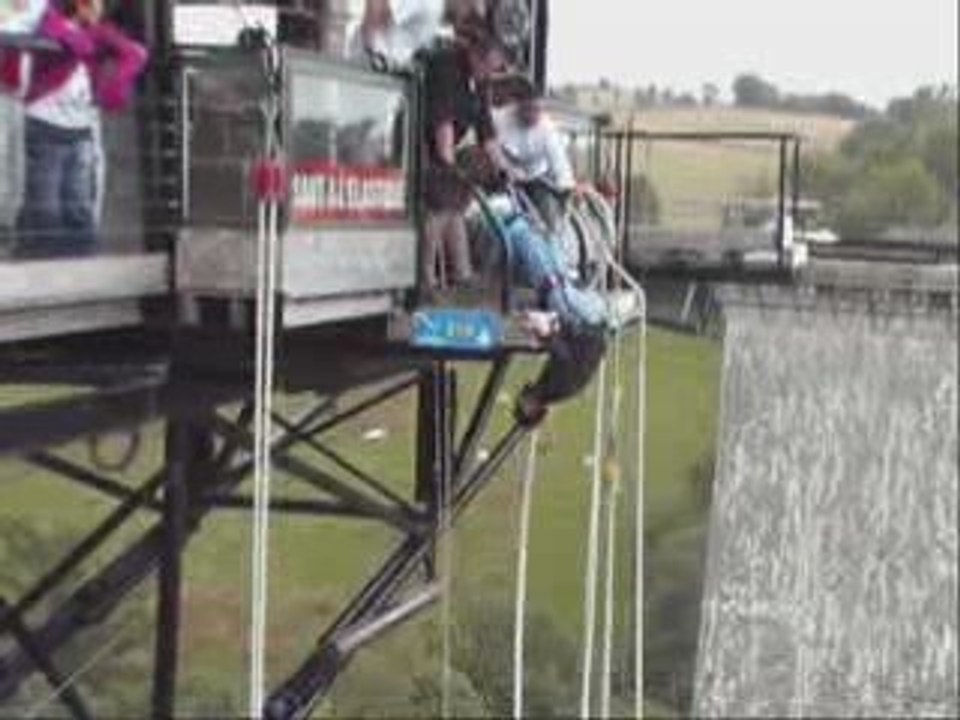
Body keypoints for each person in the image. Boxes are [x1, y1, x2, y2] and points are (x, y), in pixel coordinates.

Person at [2, 0, 146, 259]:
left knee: (78, 204)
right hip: (45, 124)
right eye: (90, 3)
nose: (97, 9)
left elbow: (134, 53)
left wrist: (114, 86)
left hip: (81, 129)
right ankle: (40, 260)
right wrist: (84, 42)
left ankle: (80, 260)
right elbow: (55, 34)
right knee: (46, 206)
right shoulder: (47, 21)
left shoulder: (98, 31)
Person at [419, 11, 509, 296]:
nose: (489, 74)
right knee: (442, 202)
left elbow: (486, 129)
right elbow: (442, 119)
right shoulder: (447, 66)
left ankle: (463, 275)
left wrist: (503, 169)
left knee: (457, 203)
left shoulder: (479, 81)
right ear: (475, 55)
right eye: (488, 67)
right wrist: (448, 162)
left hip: (446, 144)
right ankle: (426, 279)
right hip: (422, 143)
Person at [494, 79, 575, 232]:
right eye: (528, 109)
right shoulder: (499, 119)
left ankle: (550, 247)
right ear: (517, 106)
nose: (533, 114)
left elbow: (560, 166)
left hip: (536, 181)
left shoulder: (548, 130)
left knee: (548, 214)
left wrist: (565, 191)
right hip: (503, 180)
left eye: (537, 109)